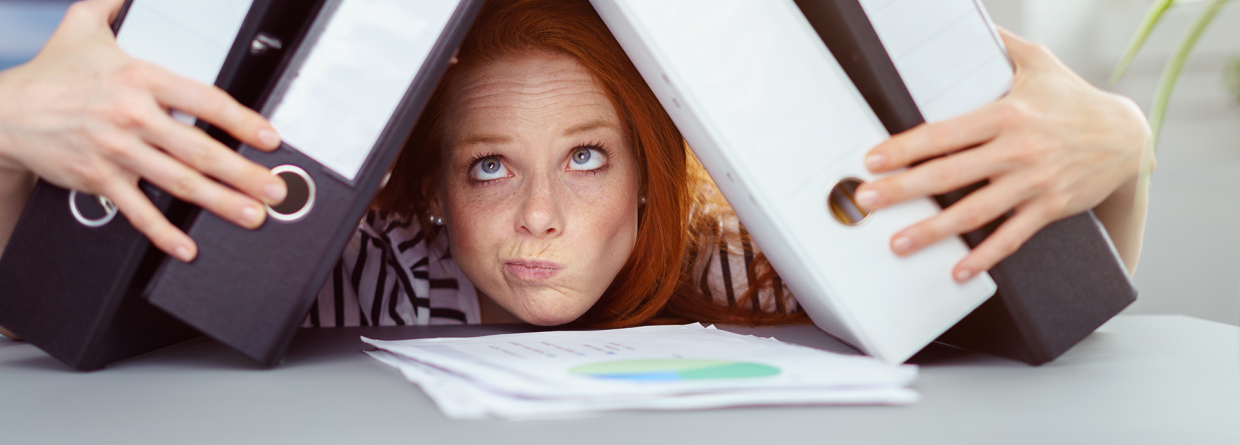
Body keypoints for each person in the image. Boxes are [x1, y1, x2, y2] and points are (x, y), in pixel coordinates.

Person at [0, 0, 1153, 338]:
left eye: (588, 158)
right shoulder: (377, 276)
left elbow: (1065, 327)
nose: (540, 217)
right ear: (426, 191)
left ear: (651, 177)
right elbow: (24, 317)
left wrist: (1122, 147)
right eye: (489, 168)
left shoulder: (741, 270)